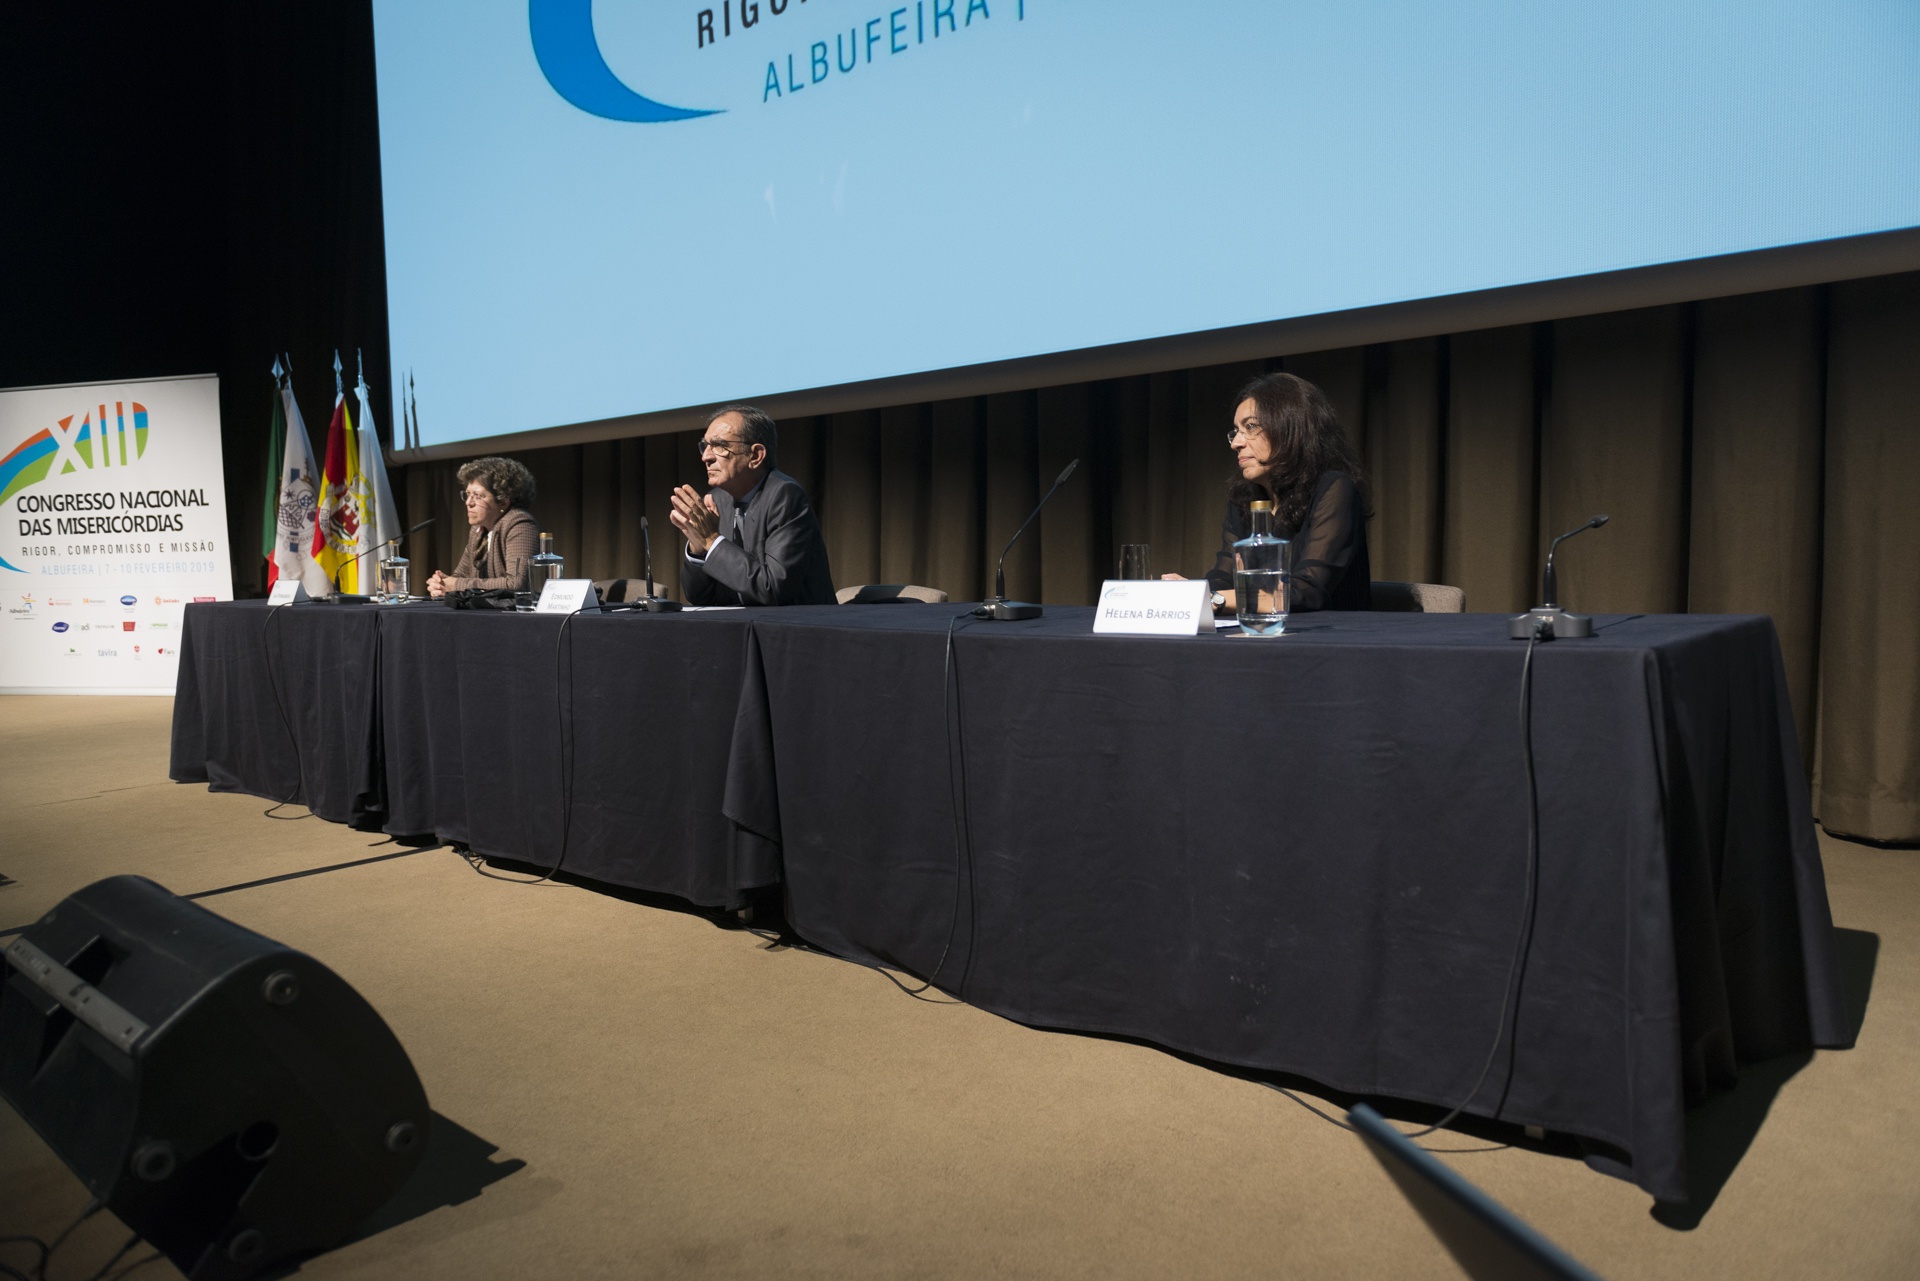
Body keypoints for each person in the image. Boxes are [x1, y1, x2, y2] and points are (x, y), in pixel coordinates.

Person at [1166, 372, 1372, 611]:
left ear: (1289, 428)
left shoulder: (1335, 488)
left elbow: (1306, 592)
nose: (1236, 443)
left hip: (1332, 640)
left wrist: (1211, 599)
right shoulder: (1245, 497)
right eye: (1236, 431)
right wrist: (1190, 593)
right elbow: (1224, 576)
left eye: (1250, 427)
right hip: (1263, 633)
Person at [670, 405, 835, 606]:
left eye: (719, 445)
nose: (706, 457)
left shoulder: (784, 495)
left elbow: (773, 588)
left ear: (755, 455)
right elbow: (698, 597)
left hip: (799, 629)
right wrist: (698, 549)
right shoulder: (717, 500)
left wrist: (711, 540)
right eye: (705, 446)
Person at [427, 456, 540, 597]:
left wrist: (456, 585)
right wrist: (441, 584)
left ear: (503, 501)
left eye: (478, 495)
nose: (468, 502)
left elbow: (517, 584)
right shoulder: (478, 530)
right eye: (467, 494)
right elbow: (461, 575)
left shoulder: (520, 524)